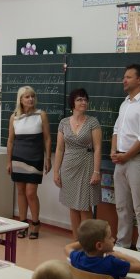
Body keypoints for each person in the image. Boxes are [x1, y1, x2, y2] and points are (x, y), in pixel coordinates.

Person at [111, 64, 140, 253]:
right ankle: (122, 245)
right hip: (120, 159)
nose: (124, 80)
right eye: (124, 77)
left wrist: (125, 156)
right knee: (122, 206)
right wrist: (114, 151)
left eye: (128, 77)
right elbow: (116, 130)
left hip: (138, 160)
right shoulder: (125, 104)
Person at [54, 88, 102, 239]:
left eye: (85, 99)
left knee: (85, 207)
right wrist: (56, 171)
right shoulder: (63, 123)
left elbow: (98, 148)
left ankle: (87, 243)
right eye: (79, 99)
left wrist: (96, 171)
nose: (83, 102)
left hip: (86, 165)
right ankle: (76, 241)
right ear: (72, 103)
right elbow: (60, 149)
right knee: (73, 206)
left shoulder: (93, 122)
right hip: (68, 167)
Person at [6, 86, 51, 240]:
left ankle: (36, 223)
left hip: (35, 158)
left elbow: (47, 138)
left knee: (30, 193)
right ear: (20, 99)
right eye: (27, 97)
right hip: (18, 158)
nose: (31, 99)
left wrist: (48, 158)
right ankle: (23, 223)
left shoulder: (41, 115)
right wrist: (9, 161)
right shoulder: (14, 117)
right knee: (20, 191)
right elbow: (10, 141)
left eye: (32, 96)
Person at [64, 219, 140, 279]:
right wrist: (121, 255)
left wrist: (86, 240)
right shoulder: (111, 263)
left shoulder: (78, 258)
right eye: (110, 237)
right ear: (99, 245)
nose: (113, 239)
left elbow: (67, 247)